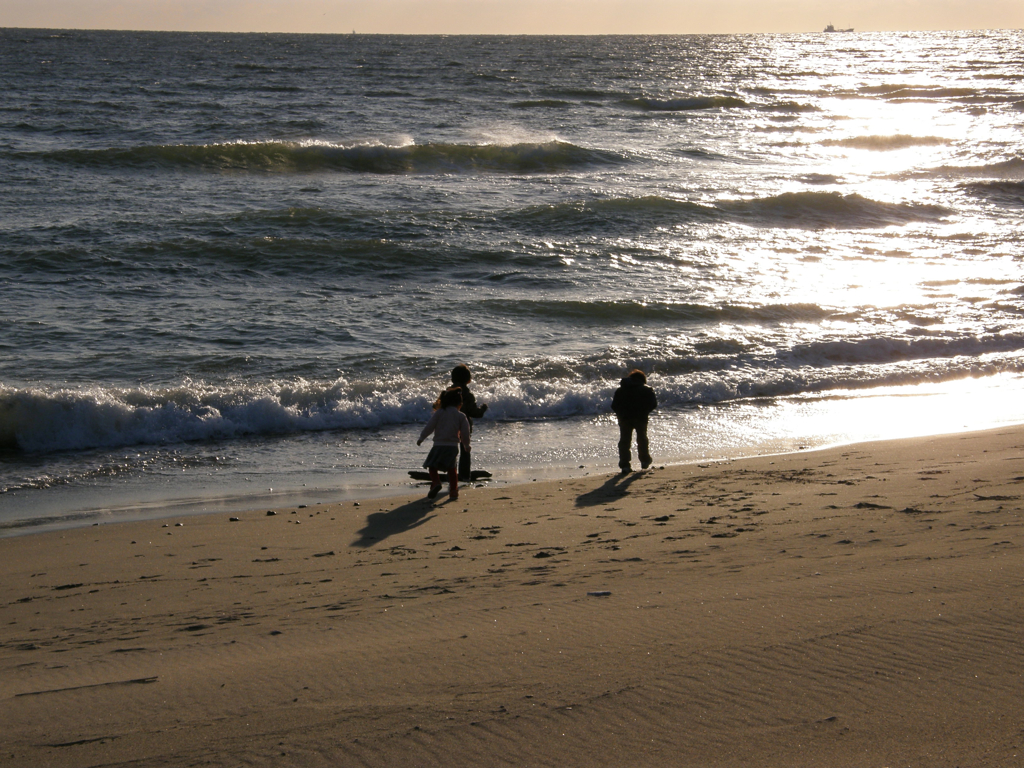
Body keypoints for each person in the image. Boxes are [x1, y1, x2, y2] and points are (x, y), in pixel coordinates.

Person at [417, 387, 471, 501]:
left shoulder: (439, 413)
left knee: (432, 466)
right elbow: (465, 432)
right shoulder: (461, 415)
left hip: (438, 445)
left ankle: (436, 482)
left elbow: (429, 427)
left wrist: (421, 438)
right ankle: (454, 491)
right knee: (452, 469)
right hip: (452, 447)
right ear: (459, 403)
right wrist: (466, 445)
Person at [611, 369, 658, 473]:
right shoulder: (647, 389)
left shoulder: (620, 390)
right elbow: (653, 404)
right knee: (642, 438)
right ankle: (645, 460)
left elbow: (614, 405)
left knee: (624, 440)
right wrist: (645, 411)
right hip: (640, 417)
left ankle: (625, 465)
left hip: (624, 417)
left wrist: (620, 414)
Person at [450, 364, 487, 481]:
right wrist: (483, 409)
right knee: (465, 450)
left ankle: (451, 473)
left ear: (452, 379)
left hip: (450, 425)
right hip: (464, 427)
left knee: (451, 450)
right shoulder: (468, 395)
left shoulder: (448, 394)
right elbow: (475, 413)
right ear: (469, 380)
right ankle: (465, 475)